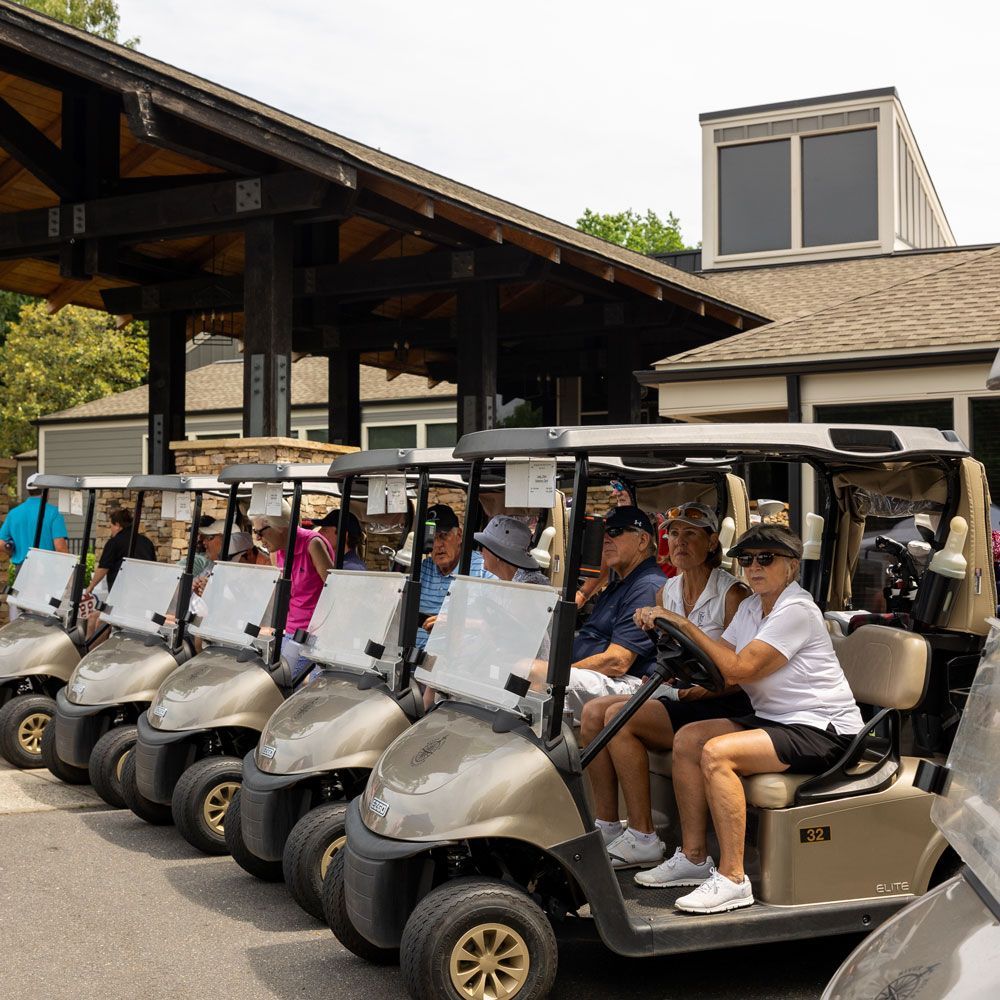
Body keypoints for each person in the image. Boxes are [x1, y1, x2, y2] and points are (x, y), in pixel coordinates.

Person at [634, 524, 863, 914]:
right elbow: (717, 660)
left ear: (790, 566)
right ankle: (692, 857)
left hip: (822, 729)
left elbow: (740, 668)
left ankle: (734, 879)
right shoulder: (751, 607)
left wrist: (683, 623)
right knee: (689, 737)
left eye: (765, 558)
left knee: (718, 753)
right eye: (746, 559)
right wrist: (675, 650)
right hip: (774, 718)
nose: (754, 567)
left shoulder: (797, 610)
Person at [579, 502, 749, 870]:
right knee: (593, 713)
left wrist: (694, 689)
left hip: (722, 700)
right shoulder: (667, 593)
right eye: (673, 533)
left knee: (620, 718)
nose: (680, 542)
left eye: (691, 533)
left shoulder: (731, 594)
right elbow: (669, 655)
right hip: (683, 694)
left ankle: (643, 836)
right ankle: (608, 825)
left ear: (712, 540)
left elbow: (739, 673)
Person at [560, 506, 665, 721]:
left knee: (535, 674)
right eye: (603, 533)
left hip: (627, 683)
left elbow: (618, 661)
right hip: (599, 678)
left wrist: (557, 672)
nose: (606, 539)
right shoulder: (621, 581)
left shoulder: (647, 585)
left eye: (615, 532)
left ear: (643, 541)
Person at [251, 502, 335, 680]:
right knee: (272, 678)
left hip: (315, 635)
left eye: (260, 532)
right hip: (291, 632)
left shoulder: (313, 544)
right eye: (255, 532)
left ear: (280, 527)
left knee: (289, 681)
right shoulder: (276, 551)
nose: (257, 539)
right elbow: (284, 594)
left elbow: (334, 591)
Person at [416, 504, 492, 647]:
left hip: (459, 664)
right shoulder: (423, 569)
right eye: (431, 538)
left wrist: (454, 623)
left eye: (443, 535)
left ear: (458, 536)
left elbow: (496, 626)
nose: (438, 544)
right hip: (415, 662)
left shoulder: (483, 570)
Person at [83, 508, 156, 639]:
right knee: (94, 617)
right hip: (145, 597)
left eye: (111, 525)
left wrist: (90, 587)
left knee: (100, 621)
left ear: (117, 525)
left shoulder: (114, 542)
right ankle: (88, 649)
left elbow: (103, 568)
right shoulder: (146, 542)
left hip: (123, 597)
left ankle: (93, 653)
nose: (110, 529)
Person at [1, 484, 69, 621]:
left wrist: (13, 549)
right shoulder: (53, 512)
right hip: (46, 571)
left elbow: (2, 543)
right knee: (44, 614)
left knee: (22, 611)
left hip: (22, 570)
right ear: (46, 492)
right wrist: (68, 570)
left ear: (29, 491)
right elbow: (60, 546)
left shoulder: (14, 513)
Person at [474, 515, 549, 586]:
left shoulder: (528, 586)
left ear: (497, 553)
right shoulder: (512, 581)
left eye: (483, 546)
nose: (481, 552)